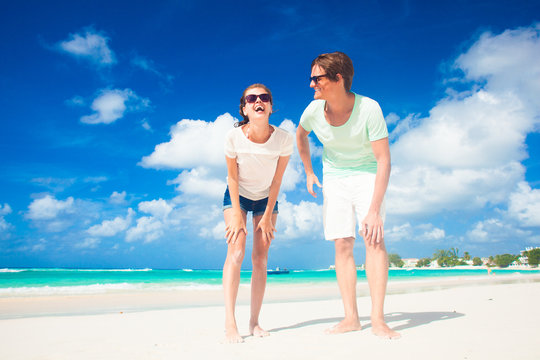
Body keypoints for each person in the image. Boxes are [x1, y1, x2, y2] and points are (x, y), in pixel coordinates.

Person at [296, 52, 400, 339]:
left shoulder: (369, 108)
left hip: (368, 174)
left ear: (338, 78)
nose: (311, 85)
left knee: (373, 238)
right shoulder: (314, 111)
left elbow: (383, 160)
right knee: (342, 243)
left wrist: (375, 210)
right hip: (335, 177)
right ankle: (351, 318)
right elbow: (300, 135)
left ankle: (377, 319)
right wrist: (308, 171)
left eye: (316, 79)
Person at [222, 83, 293, 343]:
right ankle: (231, 323)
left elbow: (277, 181)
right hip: (237, 195)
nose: (258, 101)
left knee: (260, 258)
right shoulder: (233, 138)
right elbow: (232, 177)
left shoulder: (284, 139)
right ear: (244, 109)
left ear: (271, 107)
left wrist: (266, 215)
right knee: (237, 251)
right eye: (251, 99)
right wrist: (238, 216)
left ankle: (254, 322)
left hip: (267, 198)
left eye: (264, 98)